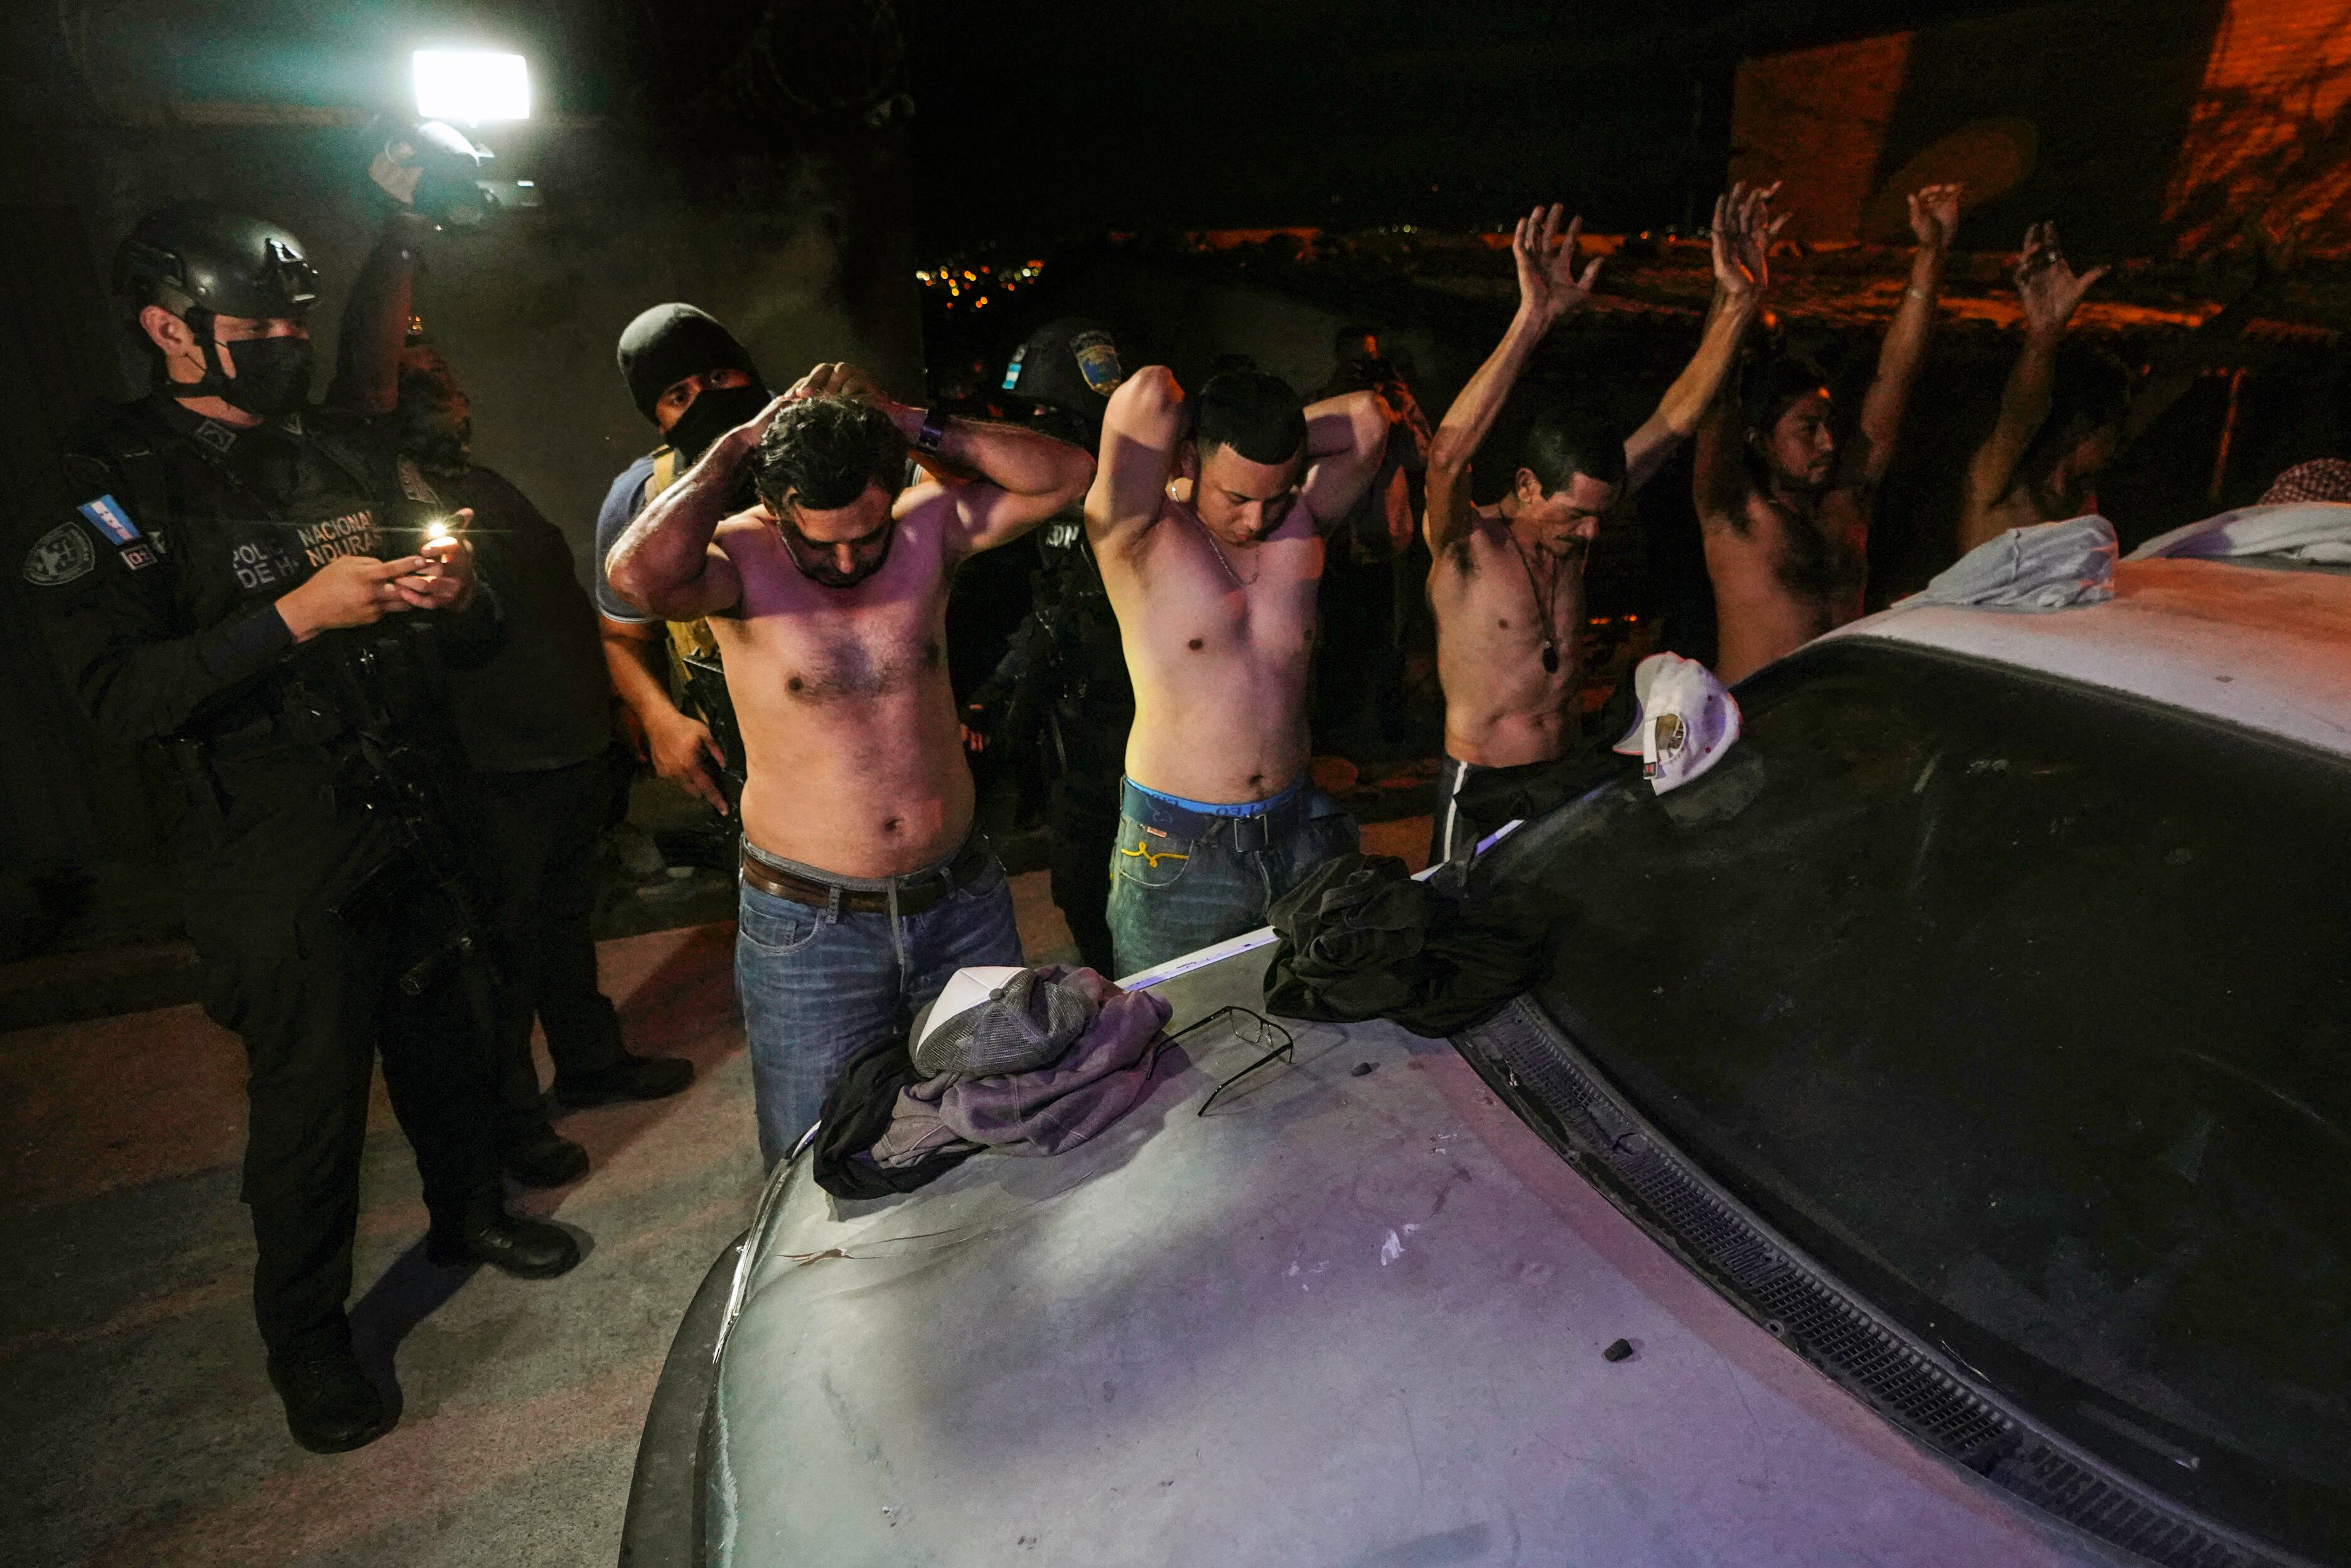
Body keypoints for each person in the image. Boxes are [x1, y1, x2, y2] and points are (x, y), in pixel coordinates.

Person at [31, 201, 578, 1455]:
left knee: (448, 1037)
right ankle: (309, 1339)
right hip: (267, 845)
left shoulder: (330, 448)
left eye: (292, 320)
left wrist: (447, 588)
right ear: (170, 330)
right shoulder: (110, 484)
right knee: (309, 1104)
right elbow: (119, 696)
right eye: (254, 324)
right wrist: (294, 616)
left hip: (406, 800)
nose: (281, 340)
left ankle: (469, 1211)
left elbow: (453, 604)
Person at [606, 363, 1095, 1164]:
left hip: (960, 901)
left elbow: (1069, 473)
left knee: (998, 1124)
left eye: (865, 535)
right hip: (812, 926)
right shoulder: (736, 560)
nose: (845, 562)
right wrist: (735, 446)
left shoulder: (925, 528)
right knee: (816, 1159)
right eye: (819, 543)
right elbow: (635, 575)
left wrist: (906, 415)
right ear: (773, 508)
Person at [387, 336, 695, 1189]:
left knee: (564, 928)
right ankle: (514, 1129)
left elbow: (560, 611)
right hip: (490, 769)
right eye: (418, 389)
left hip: (562, 751)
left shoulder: (484, 489)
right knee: (500, 961)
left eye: (444, 383)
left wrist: (611, 708)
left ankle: (591, 1061)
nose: (443, 402)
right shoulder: (388, 502)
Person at [1424, 190, 1778, 863]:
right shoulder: (1466, 547)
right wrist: (1531, 320)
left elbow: (1675, 418)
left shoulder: (1580, 517)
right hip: (1482, 784)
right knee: (1458, 931)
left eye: (1599, 515)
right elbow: (1446, 455)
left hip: (1564, 766)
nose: (1590, 533)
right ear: (1527, 486)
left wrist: (1738, 304)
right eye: (1574, 515)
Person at [1085, 364, 1391, 976]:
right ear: (1190, 461)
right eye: (1238, 496)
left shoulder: (1299, 527)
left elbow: (1367, 420)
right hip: (1179, 847)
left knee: (1316, 1017)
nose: (1256, 519)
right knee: (1172, 1031)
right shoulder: (1138, 534)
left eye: (1274, 496)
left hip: (1298, 826)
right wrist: (1212, 422)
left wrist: (1263, 434)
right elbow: (1149, 394)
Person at [1695, 183, 1961, 682]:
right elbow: (1710, 400)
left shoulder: (1843, 506)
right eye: (1807, 429)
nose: (1828, 443)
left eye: (1825, 425)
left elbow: (1895, 377)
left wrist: (1931, 253)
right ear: (1759, 441)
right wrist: (1733, 294)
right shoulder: (1732, 514)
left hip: (1835, 729)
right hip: (1757, 735)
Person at [966, 318, 1134, 974]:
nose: (1036, 427)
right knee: (1080, 887)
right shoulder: (1047, 500)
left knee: (1120, 888)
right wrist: (996, 690)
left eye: (1048, 413)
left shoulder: (1130, 490)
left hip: (1130, 725)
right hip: (1073, 729)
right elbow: (1049, 607)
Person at [594, 304, 772, 824]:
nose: (707, 403)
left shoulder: (829, 454)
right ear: (659, 418)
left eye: (719, 376)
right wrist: (659, 718)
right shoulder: (642, 500)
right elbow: (624, 637)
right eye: (679, 396)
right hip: (743, 761)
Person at [1957, 223, 2123, 551]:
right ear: (2081, 428)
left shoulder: (2076, 495)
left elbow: (2173, 377)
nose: (2120, 438)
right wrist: (2044, 335)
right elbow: (2019, 414)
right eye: (2115, 426)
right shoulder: (1998, 481)